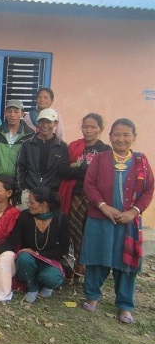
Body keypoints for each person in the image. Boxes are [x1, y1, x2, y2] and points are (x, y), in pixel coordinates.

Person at [80, 118, 154, 324]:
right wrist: (103, 206)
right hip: (100, 219)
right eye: (117, 135)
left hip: (128, 223)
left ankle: (125, 305)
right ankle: (92, 296)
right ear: (110, 137)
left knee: (126, 264)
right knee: (96, 258)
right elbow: (89, 185)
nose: (121, 139)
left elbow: (149, 190)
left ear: (134, 137)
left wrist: (134, 211)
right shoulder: (100, 159)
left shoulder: (141, 161)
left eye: (126, 134)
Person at [0, 186, 69, 303]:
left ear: (43, 204)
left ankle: (47, 284)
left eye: (31, 202)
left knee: (52, 278)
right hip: (28, 260)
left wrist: (38, 253)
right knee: (24, 257)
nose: (28, 205)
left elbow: (63, 249)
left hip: (49, 260)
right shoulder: (25, 216)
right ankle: (32, 287)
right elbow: (12, 242)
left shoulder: (61, 218)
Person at [58, 113, 110, 280]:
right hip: (75, 195)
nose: (88, 130)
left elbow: (101, 174)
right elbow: (64, 170)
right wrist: (87, 168)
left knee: (91, 232)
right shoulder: (74, 146)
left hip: (96, 199)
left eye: (93, 127)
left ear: (100, 129)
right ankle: (72, 266)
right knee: (73, 231)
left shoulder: (105, 150)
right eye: (85, 126)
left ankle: (87, 269)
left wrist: (78, 166)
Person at [16, 108, 69, 205]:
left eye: (49, 122)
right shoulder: (27, 144)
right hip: (29, 192)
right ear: (38, 123)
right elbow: (21, 167)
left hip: (51, 194)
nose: (45, 125)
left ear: (55, 123)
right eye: (42, 122)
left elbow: (63, 170)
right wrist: (22, 188)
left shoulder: (62, 146)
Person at [0, 100, 34, 187]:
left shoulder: (29, 135)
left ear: (22, 114)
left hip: (20, 181)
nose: (12, 115)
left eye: (16, 111)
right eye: (9, 111)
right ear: (5, 113)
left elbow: (31, 162)